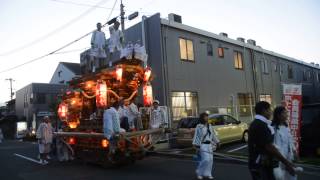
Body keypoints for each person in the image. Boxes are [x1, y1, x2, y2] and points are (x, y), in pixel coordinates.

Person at [248, 101, 296, 180]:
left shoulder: (258, 123)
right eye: (270, 110)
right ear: (264, 110)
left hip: (262, 163)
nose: (271, 112)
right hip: (261, 165)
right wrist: (286, 163)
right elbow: (270, 146)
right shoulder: (261, 125)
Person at [272, 106, 298, 180]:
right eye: (284, 113)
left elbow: (290, 140)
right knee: (282, 177)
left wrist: (294, 150)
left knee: (292, 176)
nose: (287, 114)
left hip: (288, 156)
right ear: (278, 115)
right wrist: (284, 161)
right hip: (280, 158)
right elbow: (274, 145)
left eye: (286, 112)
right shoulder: (274, 128)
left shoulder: (286, 126)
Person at [192, 112, 220, 180]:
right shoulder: (199, 126)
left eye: (207, 116)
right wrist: (196, 145)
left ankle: (208, 174)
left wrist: (217, 142)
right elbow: (197, 136)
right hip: (203, 145)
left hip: (209, 145)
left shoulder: (209, 125)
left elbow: (213, 135)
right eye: (205, 117)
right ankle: (199, 172)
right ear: (202, 118)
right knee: (206, 159)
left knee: (210, 160)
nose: (207, 118)